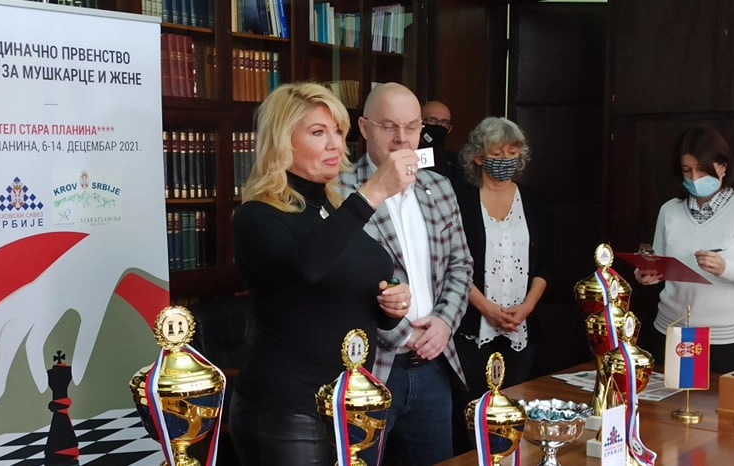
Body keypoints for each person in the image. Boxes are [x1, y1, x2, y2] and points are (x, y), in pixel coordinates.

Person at [228, 82, 418, 466]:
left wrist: (390, 306)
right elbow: (305, 270)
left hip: (349, 403)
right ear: (282, 141)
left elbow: (349, 292)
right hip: (288, 409)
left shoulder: (332, 209)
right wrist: (370, 194)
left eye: (338, 131)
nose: (335, 144)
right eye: (318, 132)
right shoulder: (257, 215)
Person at [339, 82, 473, 466]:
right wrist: (404, 335)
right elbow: (342, 286)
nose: (402, 138)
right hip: (368, 368)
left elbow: (461, 265)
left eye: (412, 126)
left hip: (433, 365)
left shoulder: (439, 187)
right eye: (389, 126)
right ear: (364, 128)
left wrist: (444, 323)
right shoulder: (341, 189)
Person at [448, 117, 554, 454]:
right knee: (472, 414)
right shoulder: (460, 201)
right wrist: (487, 309)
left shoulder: (534, 203)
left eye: (512, 152)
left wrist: (526, 308)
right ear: (479, 157)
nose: (506, 160)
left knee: (515, 413)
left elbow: (545, 265)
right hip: (471, 328)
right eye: (497, 153)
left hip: (521, 328)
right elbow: (451, 263)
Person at [633, 125, 734, 374]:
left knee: (717, 400)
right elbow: (660, 264)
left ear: (722, 167)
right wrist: (648, 274)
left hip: (723, 338)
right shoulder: (670, 210)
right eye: (686, 170)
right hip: (671, 330)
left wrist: (725, 268)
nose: (694, 178)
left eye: (702, 169)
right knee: (667, 398)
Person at [419, 99, 459, 183]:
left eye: (444, 122)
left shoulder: (455, 161)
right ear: (420, 123)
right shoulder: (408, 154)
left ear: (450, 129)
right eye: (432, 120)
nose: (438, 125)